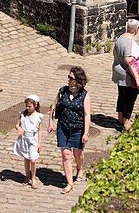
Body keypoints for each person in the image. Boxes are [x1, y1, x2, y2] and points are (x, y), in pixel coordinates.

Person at [48, 66, 91, 194]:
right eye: (68, 77)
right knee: (66, 154)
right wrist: (50, 122)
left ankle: (79, 169)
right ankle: (69, 183)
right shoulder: (62, 91)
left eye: (71, 77)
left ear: (78, 80)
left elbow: (87, 115)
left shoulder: (85, 95)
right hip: (63, 126)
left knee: (78, 154)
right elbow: (53, 106)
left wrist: (86, 132)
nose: (68, 79)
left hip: (78, 128)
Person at [112, 18, 139, 131]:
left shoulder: (120, 38)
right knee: (129, 98)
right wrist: (137, 78)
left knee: (122, 96)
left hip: (118, 71)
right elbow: (129, 61)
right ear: (136, 29)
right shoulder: (129, 42)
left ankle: (120, 120)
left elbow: (114, 53)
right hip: (127, 74)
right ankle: (126, 123)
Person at [13, 93, 43, 188]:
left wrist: (39, 143)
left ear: (35, 105)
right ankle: (27, 176)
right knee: (26, 158)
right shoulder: (23, 114)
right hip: (24, 139)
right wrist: (20, 129)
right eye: (26, 106)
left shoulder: (38, 116)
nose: (28, 108)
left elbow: (40, 130)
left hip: (33, 140)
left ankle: (33, 177)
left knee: (33, 160)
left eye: (30, 106)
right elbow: (17, 124)